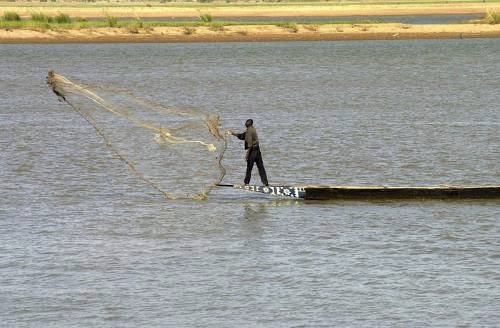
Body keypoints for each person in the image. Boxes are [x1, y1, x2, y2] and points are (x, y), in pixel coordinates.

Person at [227, 119, 269, 186]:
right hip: (257, 150)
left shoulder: (249, 131)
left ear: (250, 124)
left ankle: (246, 183)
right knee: (261, 167)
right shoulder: (252, 129)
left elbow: (250, 145)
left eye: (247, 123)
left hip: (252, 151)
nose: (246, 123)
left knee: (249, 168)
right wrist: (232, 133)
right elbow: (242, 136)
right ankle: (265, 183)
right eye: (246, 122)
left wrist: (247, 154)